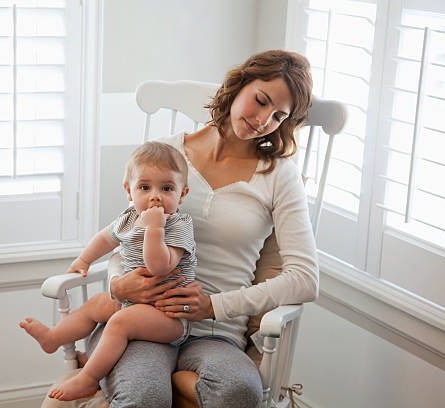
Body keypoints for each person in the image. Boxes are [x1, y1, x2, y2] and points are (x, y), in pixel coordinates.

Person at [88, 49, 318, 408]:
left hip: (216, 334)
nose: (263, 120)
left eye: (278, 116)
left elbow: (306, 278)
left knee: (239, 392)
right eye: (260, 101)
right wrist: (119, 283)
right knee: (143, 397)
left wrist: (214, 306)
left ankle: (177, 383)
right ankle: (165, 385)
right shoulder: (164, 153)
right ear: (239, 84)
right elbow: (123, 234)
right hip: (144, 321)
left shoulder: (280, 176)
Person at [19, 141, 196, 401]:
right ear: (129, 190)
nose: (155, 196)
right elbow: (105, 238)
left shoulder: (178, 225)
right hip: (130, 300)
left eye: (166, 188)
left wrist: (154, 229)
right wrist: (83, 260)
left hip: (169, 316)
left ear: (181, 194)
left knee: (120, 323)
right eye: (144, 187)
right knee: (96, 304)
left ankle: (88, 379)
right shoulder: (127, 218)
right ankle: (53, 338)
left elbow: (161, 266)